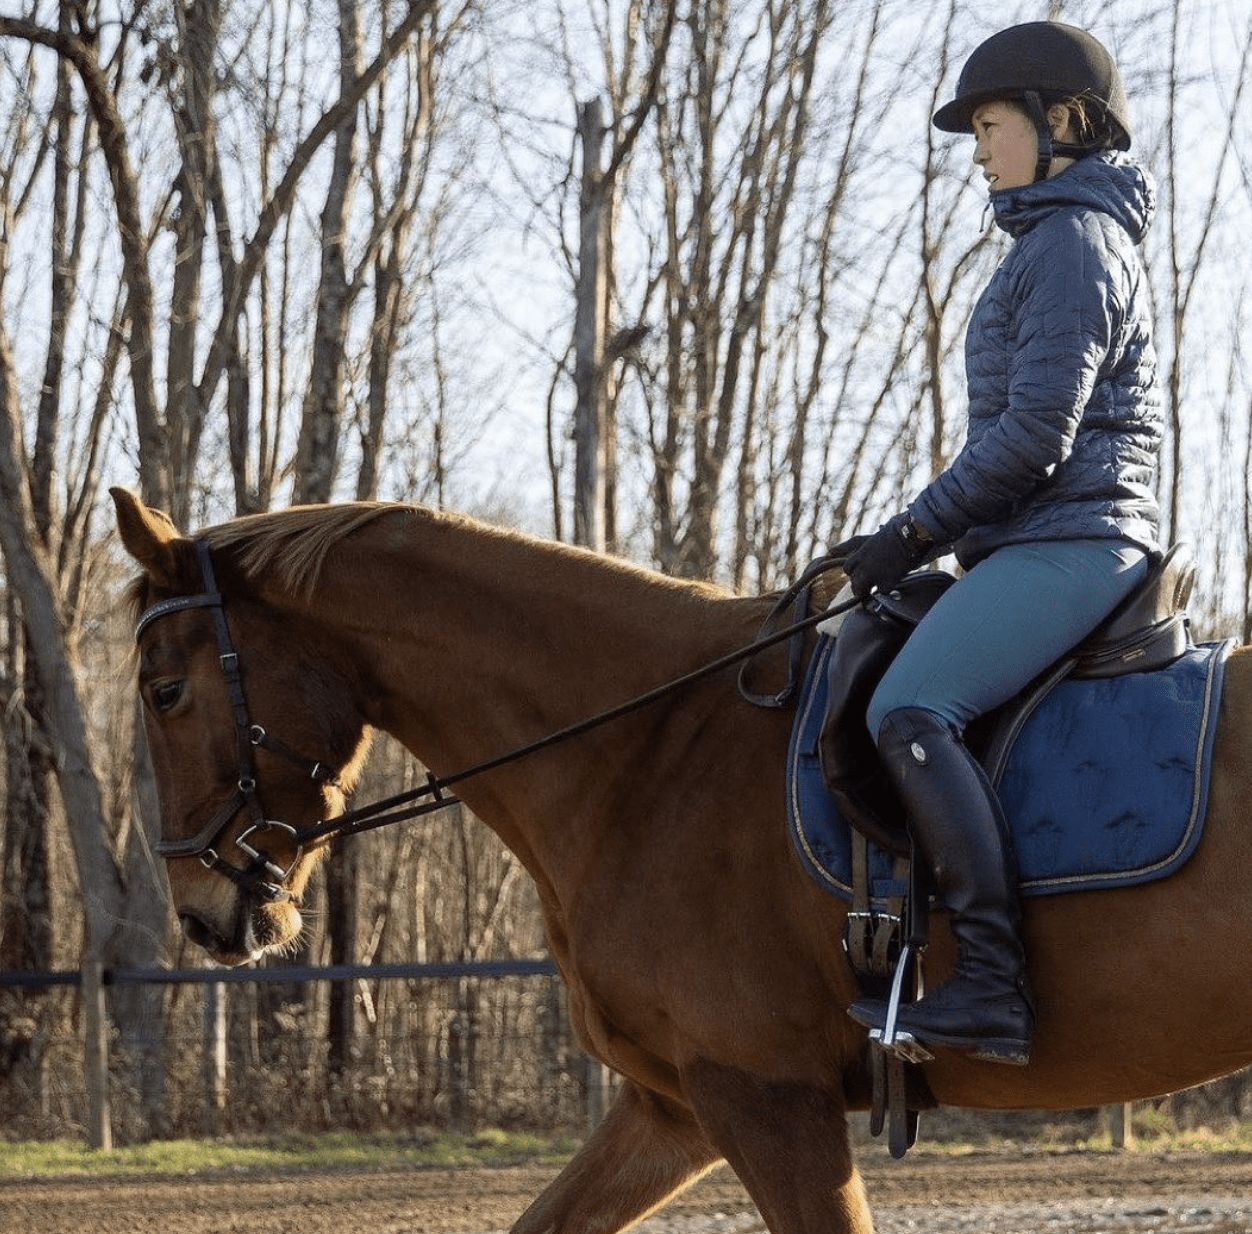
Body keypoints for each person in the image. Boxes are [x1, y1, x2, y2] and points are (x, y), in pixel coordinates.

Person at [839, 21, 1163, 1066]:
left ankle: (987, 982)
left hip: (1079, 531)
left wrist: (911, 530)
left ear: (1061, 122)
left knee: (907, 707)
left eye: (987, 125)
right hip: (1044, 530)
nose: (976, 148)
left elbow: (1032, 437)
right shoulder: (1052, 240)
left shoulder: (1073, 244)